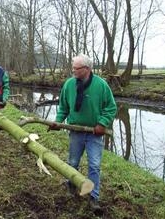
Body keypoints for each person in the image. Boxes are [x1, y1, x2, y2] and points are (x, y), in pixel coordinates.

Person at [49, 54, 117, 213]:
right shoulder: (69, 85)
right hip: (75, 132)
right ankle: (71, 187)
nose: (73, 71)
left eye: (76, 68)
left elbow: (111, 107)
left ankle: (93, 197)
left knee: (94, 165)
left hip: (95, 133)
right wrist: (58, 122)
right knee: (73, 162)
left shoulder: (101, 85)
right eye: (73, 67)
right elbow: (63, 107)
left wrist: (102, 123)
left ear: (87, 69)